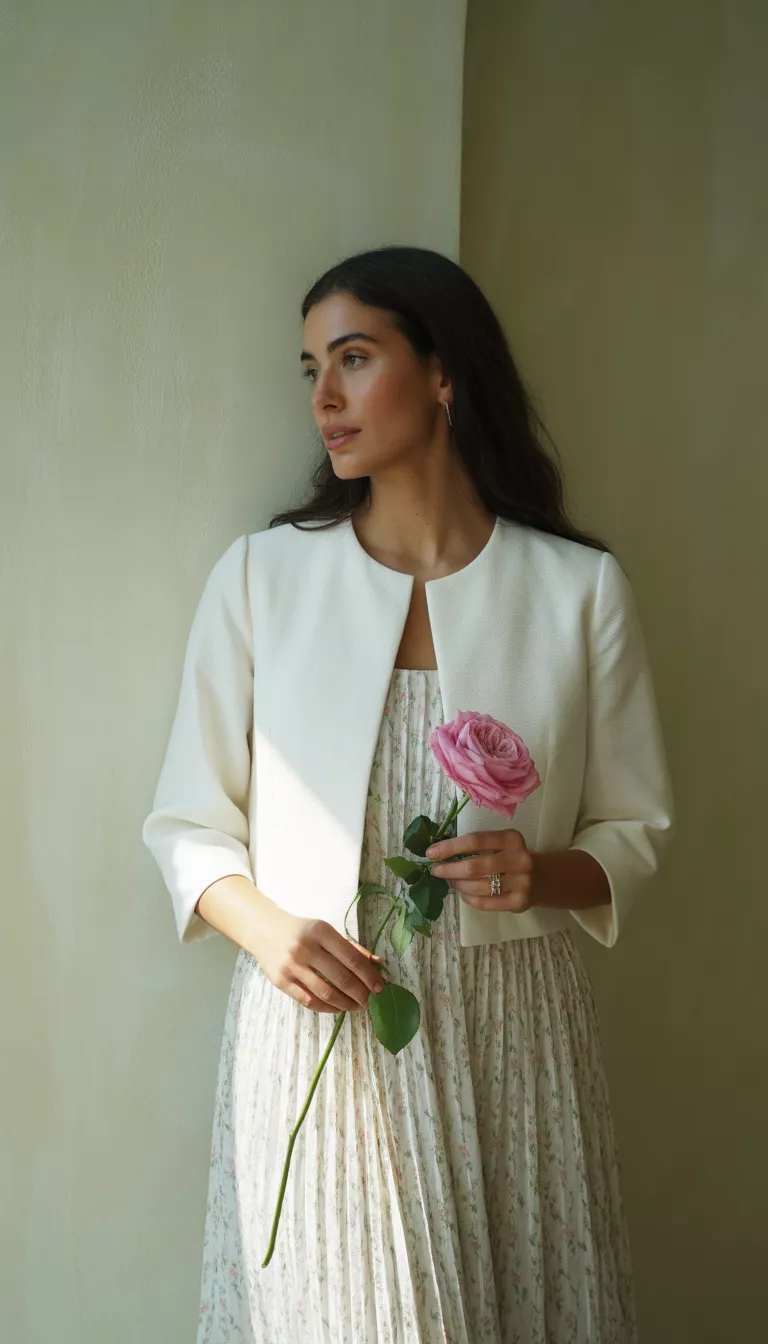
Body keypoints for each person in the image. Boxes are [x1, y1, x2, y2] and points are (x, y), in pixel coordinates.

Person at [143, 245, 673, 1344]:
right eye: (310, 369)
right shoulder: (262, 577)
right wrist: (274, 934)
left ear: (442, 375)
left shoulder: (578, 590)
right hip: (324, 1028)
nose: (324, 398)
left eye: (353, 357)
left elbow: (632, 829)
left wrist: (542, 869)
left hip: (517, 1035)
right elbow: (188, 823)